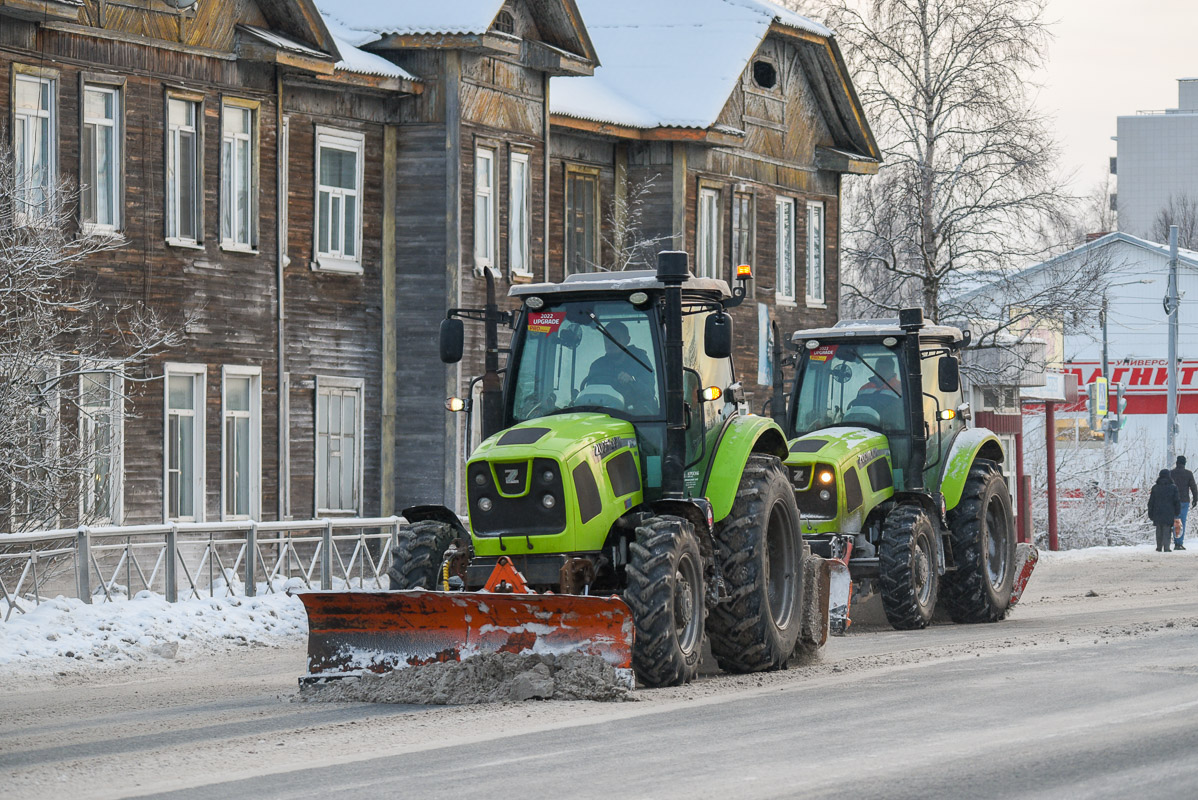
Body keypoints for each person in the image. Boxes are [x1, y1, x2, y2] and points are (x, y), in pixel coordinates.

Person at [581, 321, 656, 412]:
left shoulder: (640, 361)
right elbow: (591, 394)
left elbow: (649, 393)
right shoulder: (597, 366)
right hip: (603, 416)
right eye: (607, 339)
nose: (610, 342)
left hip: (636, 418)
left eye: (616, 338)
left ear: (627, 340)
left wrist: (632, 381)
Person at [1147, 469, 1181, 553]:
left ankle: (1159, 547)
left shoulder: (1155, 487)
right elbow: (1176, 501)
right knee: (1167, 529)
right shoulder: (1173, 487)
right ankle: (1166, 547)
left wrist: (1150, 513)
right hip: (1169, 511)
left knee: (1159, 528)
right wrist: (1177, 511)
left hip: (1157, 511)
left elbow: (1151, 501)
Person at [1170, 455, 1197, 550]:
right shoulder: (1188, 474)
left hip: (1173, 501)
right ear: (1184, 463)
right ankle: (1179, 543)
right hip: (1184, 500)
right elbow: (1193, 487)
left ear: (1177, 462)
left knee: (1175, 521)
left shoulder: (1171, 473)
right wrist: (1195, 499)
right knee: (1182, 522)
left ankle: (1175, 541)